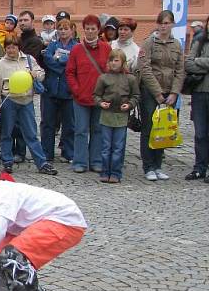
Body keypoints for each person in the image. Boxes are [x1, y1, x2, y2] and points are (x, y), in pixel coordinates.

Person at [0, 34, 57, 175]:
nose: (11, 50)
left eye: (13, 47)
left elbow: (42, 73)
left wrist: (35, 74)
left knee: (31, 134)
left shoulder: (29, 60)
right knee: (6, 133)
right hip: (9, 101)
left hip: (26, 100)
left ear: (18, 47)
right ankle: (7, 162)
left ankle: (41, 162)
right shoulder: (0, 65)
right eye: (8, 47)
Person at [137, 10, 184, 181]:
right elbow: (145, 69)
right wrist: (157, 93)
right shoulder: (149, 43)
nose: (164, 26)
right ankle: (148, 166)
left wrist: (174, 93)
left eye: (167, 23)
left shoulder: (176, 45)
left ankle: (158, 165)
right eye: (161, 23)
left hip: (169, 91)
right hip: (151, 92)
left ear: (172, 24)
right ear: (157, 24)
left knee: (164, 128)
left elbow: (180, 70)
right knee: (149, 128)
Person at [65, 14, 112, 174]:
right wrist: (76, 90)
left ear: (98, 30)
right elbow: (70, 72)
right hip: (81, 98)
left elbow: (111, 70)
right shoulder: (77, 49)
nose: (90, 32)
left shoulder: (106, 48)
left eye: (93, 29)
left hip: (100, 98)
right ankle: (80, 161)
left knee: (98, 130)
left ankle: (96, 161)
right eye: (87, 29)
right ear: (83, 30)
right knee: (80, 130)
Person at [93, 49, 139, 183]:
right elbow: (96, 95)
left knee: (118, 146)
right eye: (111, 60)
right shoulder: (103, 78)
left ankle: (116, 172)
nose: (114, 63)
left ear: (123, 62)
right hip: (107, 115)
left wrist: (130, 105)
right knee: (106, 146)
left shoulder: (130, 79)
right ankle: (105, 171)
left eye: (116, 60)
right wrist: (101, 103)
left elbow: (136, 96)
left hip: (121, 117)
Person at [41, 18, 78, 163]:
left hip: (68, 91)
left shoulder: (76, 47)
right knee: (48, 123)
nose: (63, 31)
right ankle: (46, 152)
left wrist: (60, 61)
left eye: (66, 28)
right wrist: (62, 63)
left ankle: (68, 152)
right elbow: (47, 60)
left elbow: (72, 65)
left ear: (72, 30)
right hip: (50, 89)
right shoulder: (52, 45)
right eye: (60, 29)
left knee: (69, 124)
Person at [184, 16, 209, 183]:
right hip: (199, 92)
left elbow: (195, 63)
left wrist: (199, 63)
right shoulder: (199, 41)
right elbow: (188, 63)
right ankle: (199, 168)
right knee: (200, 134)